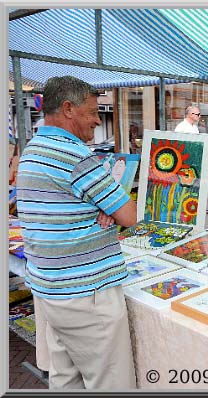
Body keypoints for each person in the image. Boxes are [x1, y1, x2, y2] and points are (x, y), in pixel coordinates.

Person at [16, 76, 138, 389]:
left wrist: (101, 206)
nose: (98, 121)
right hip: (86, 295)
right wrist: (108, 206)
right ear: (68, 109)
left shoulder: (32, 149)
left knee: (65, 379)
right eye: (93, 112)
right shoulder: (78, 157)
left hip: (52, 290)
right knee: (110, 383)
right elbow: (129, 214)